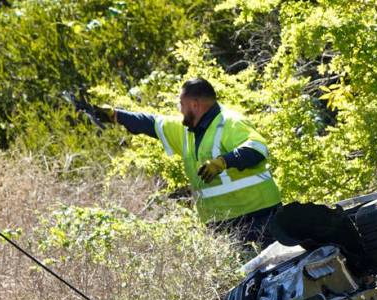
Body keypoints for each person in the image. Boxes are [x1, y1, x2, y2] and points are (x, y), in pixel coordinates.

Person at [95, 79, 281, 247]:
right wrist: (114, 115)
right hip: (223, 223)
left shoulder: (230, 122)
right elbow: (150, 123)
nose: (179, 109)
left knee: (275, 275)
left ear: (194, 104)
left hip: (260, 215)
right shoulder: (186, 131)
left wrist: (222, 162)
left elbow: (257, 149)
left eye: (181, 104)